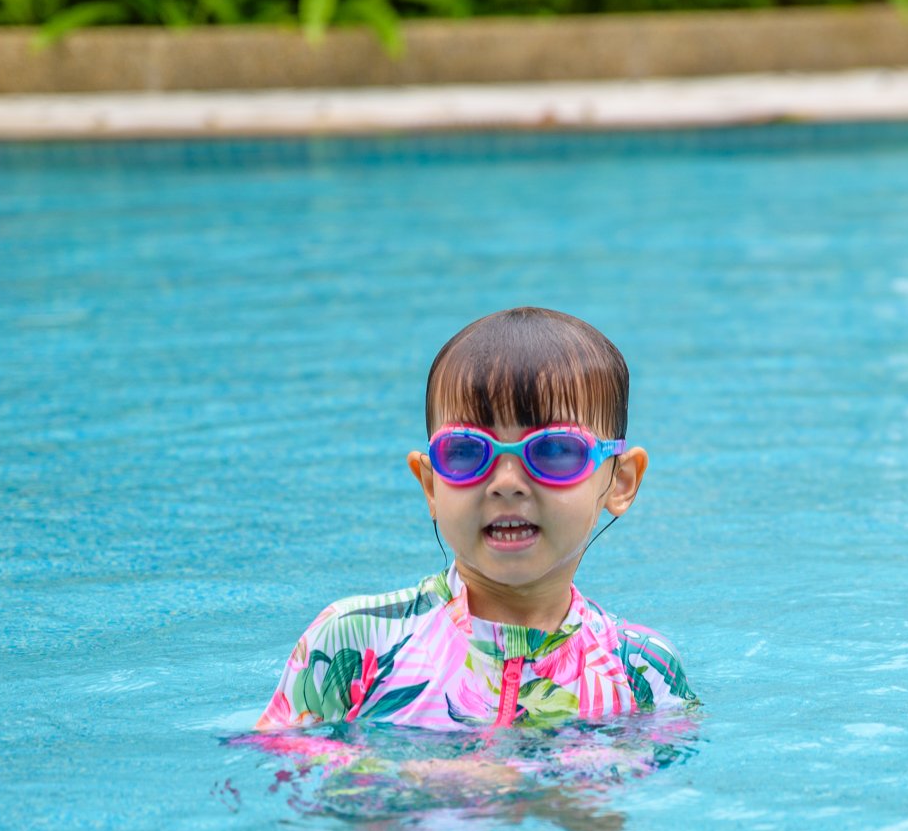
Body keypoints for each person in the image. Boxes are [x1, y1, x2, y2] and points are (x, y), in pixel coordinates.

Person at [254, 307, 692, 734]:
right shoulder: (354, 641)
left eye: (556, 451)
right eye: (465, 451)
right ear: (430, 485)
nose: (506, 483)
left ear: (621, 482)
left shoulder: (641, 672)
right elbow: (285, 775)